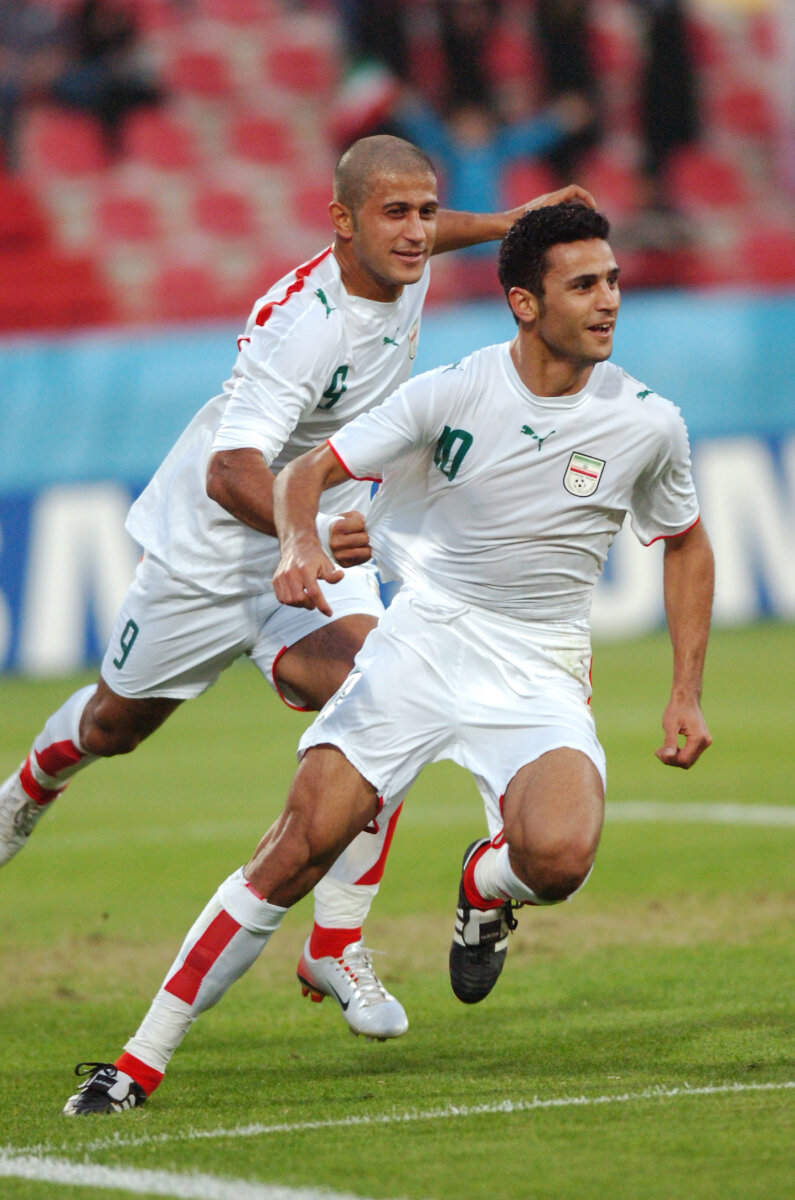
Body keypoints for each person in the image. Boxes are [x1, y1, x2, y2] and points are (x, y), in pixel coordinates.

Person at [62, 202, 714, 1115]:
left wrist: (685, 691)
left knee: (560, 857)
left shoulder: (647, 423)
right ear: (525, 304)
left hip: (539, 668)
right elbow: (308, 471)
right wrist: (301, 542)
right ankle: (136, 1063)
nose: (608, 300)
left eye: (610, 281)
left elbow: (685, 542)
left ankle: (483, 885)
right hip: (421, 645)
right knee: (294, 851)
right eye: (583, 285)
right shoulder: (451, 392)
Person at [0, 134, 593, 1045]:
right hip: (214, 554)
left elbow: (430, 233)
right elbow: (227, 468)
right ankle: (29, 789)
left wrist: (507, 223)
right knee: (114, 725)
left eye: (425, 212)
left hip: (319, 544)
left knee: (382, 697)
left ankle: (334, 942)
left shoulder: (401, 258)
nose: (416, 232)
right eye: (395, 214)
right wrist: (299, 535)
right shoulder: (305, 327)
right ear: (342, 222)